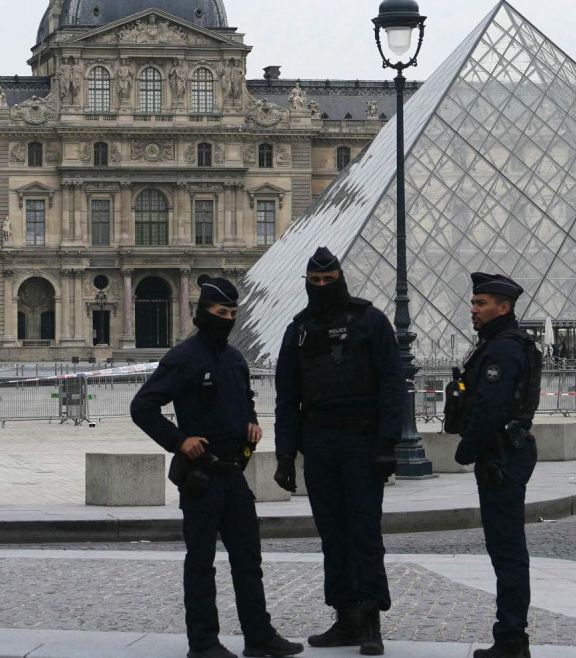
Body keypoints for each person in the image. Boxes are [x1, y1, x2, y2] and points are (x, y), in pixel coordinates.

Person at [130, 278, 303, 658]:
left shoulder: (236, 358)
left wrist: (252, 422)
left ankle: (258, 637)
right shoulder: (183, 357)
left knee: (248, 560)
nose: (227, 319)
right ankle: (204, 642)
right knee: (201, 563)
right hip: (201, 476)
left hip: (234, 475)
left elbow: (246, 399)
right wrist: (178, 441)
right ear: (202, 313)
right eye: (220, 313)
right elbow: (141, 407)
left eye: (232, 314)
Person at [272, 247, 405, 656]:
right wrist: (284, 456)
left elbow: (391, 386)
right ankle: (345, 616)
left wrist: (387, 446)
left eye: (330, 281)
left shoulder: (371, 321)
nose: (324, 287)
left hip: (362, 442)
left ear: (342, 279)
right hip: (320, 441)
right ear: (308, 283)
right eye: (316, 282)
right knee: (332, 534)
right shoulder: (298, 331)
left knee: (364, 532)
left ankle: (370, 620)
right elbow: (286, 398)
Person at [445, 273, 541, 658]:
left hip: (500, 455)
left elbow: (491, 408)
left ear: (504, 307)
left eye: (481, 303)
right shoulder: (499, 344)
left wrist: (466, 449)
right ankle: (511, 635)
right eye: (473, 302)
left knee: (506, 550)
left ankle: (512, 639)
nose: (474, 309)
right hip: (504, 452)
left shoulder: (502, 349)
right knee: (505, 548)